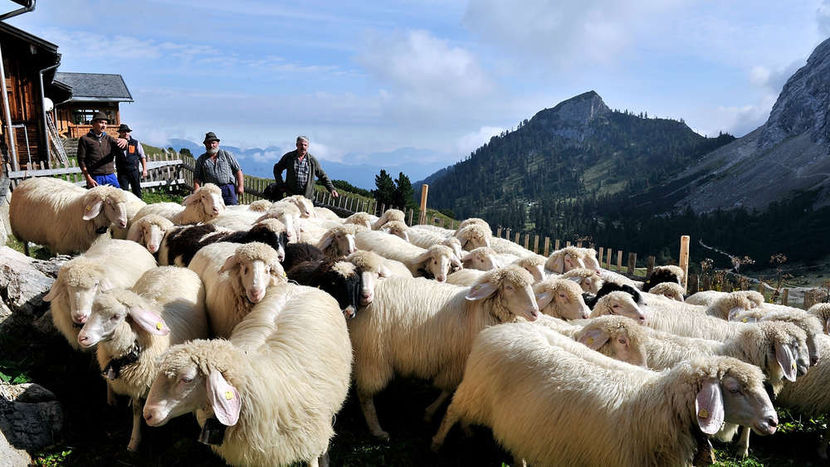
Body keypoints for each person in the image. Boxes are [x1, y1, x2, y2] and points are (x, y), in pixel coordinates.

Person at [272, 136, 338, 201]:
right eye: (301, 144)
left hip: (307, 198)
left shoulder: (312, 160)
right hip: (292, 197)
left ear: (308, 146)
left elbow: (322, 175)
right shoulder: (289, 157)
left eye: (305, 145)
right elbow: (277, 169)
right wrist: (281, 184)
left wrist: (332, 189)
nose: (303, 147)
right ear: (297, 145)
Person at [77, 111, 127, 188]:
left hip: (110, 176)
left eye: (105, 123)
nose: (104, 125)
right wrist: (88, 178)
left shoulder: (109, 139)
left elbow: (122, 147)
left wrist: (125, 141)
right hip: (95, 177)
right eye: (101, 122)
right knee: (96, 199)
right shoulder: (85, 139)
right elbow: (81, 160)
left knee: (117, 198)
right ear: (93, 124)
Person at [193, 131, 244, 205]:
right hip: (211, 191)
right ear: (205, 144)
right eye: (208, 143)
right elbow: (197, 178)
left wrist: (241, 186)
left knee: (232, 210)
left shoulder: (227, 155)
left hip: (227, 188)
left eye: (213, 143)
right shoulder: (201, 159)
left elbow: (238, 170)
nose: (211, 145)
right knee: (213, 211)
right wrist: (197, 193)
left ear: (217, 143)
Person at [115, 123, 147, 197]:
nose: (126, 133)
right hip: (122, 173)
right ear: (120, 133)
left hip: (134, 171)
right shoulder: (116, 143)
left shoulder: (135, 143)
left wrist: (145, 170)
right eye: (124, 131)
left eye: (127, 131)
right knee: (123, 193)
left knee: (137, 190)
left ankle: (139, 206)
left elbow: (142, 157)